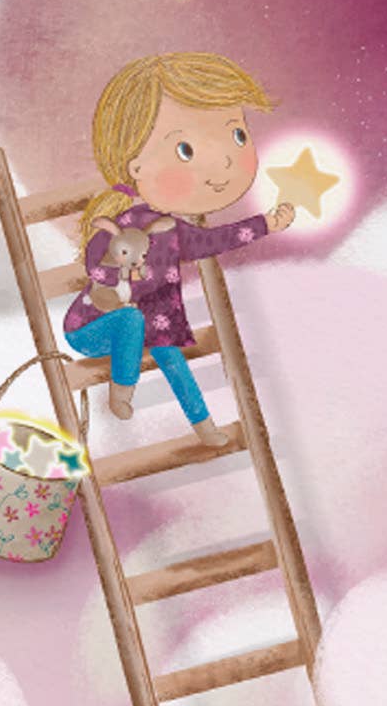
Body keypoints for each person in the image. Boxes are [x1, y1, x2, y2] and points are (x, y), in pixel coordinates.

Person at [62, 51, 298, 436]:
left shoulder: (171, 229)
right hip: (93, 328)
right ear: (136, 165)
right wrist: (119, 274)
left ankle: (203, 426)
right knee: (131, 319)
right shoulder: (117, 224)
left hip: (155, 324)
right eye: (185, 150)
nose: (222, 163)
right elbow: (95, 265)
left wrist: (266, 223)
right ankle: (121, 392)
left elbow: (215, 239)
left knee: (172, 358)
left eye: (238, 135)